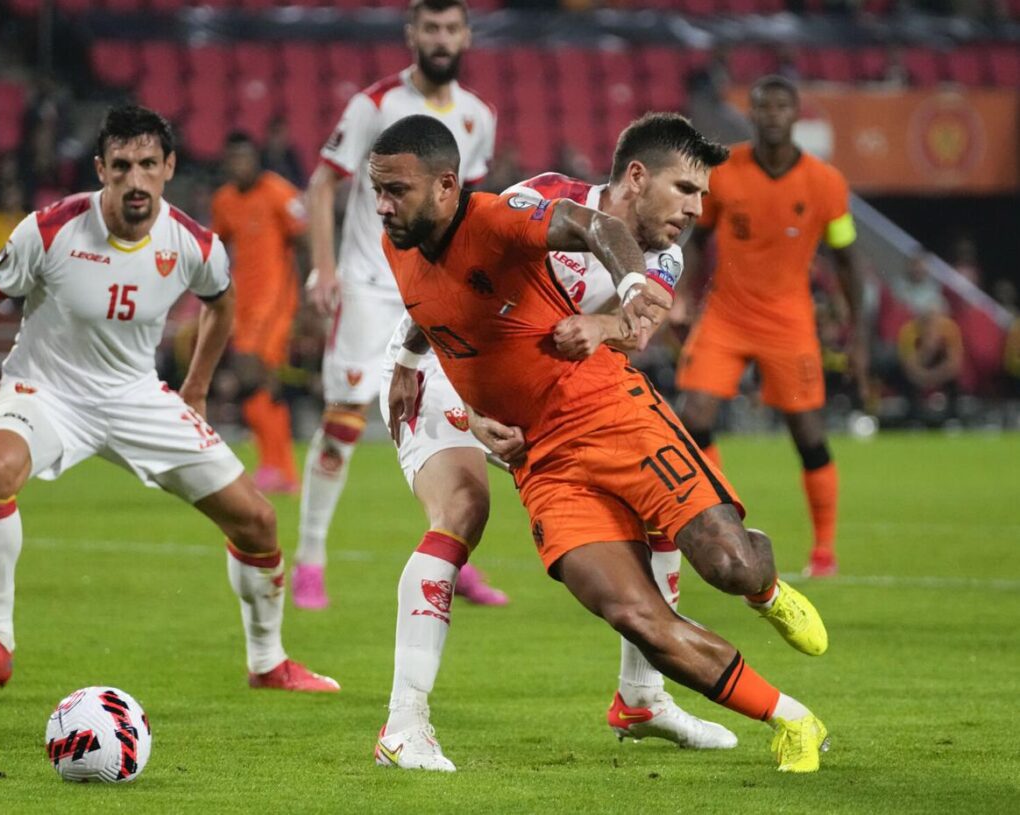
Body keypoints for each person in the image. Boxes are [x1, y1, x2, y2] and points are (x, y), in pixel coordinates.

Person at [375, 113, 830, 773]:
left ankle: (692, 653)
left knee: (725, 560)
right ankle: (405, 720)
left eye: (702, 196)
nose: (696, 210)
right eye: (685, 191)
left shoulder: (664, 257)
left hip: (581, 393)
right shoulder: (529, 204)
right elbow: (450, 294)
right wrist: (423, 374)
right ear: (637, 177)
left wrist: (604, 319)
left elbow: (635, 331)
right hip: (465, 381)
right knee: (466, 515)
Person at [0, 105, 338, 694]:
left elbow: (220, 303)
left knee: (258, 521)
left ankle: (268, 662)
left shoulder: (194, 244)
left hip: (136, 397)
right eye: (121, 165)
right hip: (46, 389)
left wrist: (194, 388)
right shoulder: (49, 230)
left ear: (169, 167)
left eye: (148, 164)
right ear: (101, 168)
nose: (135, 179)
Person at [296, 0, 501, 609]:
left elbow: (468, 204)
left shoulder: (477, 116)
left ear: (466, 35)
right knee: (345, 419)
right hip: (369, 282)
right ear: (412, 34)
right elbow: (322, 181)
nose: (441, 39)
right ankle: (310, 559)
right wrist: (326, 269)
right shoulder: (374, 104)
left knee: (452, 418)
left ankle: (453, 553)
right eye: (430, 28)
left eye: (451, 28)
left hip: (437, 288)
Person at [675, 75, 868, 579]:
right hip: (726, 315)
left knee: (808, 436)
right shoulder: (723, 172)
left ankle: (824, 551)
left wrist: (857, 332)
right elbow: (698, 238)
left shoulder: (826, 184)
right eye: (763, 106)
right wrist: (681, 296)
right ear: (752, 113)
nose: (773, 115)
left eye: (782, 106)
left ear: (796, 114)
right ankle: (723, 523)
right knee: (693, 419)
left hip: (788, 321)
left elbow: (846, 259)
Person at [211, 131, 306, 494]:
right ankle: (278, 470)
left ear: (255, 159)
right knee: (259, 385)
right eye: (233, 160)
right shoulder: (225, 201)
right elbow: (217, 246)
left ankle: (277, 468)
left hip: (275, 302)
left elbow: (304, 239)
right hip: (243, 304)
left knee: (253, 376)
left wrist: (312, 291)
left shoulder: (278, 192)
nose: (240, 166)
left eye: (245, 158)